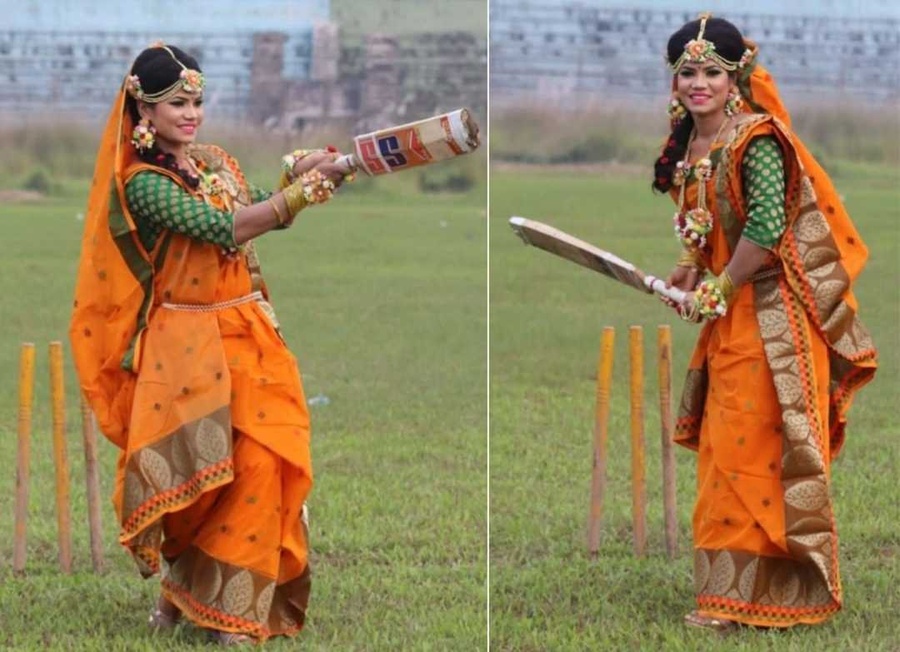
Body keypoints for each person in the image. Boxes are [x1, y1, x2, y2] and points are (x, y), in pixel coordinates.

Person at [69, 43, 350, 645]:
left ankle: (235, 617)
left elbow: (247, 215)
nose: (192, 113)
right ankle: (180, 597)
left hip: (246, 333)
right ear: (144, 109)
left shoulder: (217, 161)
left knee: (261, 460)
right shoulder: (143, 183)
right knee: (201, 480)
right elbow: (220, 228)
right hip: (184, 345)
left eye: (197, 101)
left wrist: (296, 174)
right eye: (177, 103)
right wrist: (297, 196)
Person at [653, 14, 878, 631]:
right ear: (673, 82)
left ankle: (773, 595)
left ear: (735, 80)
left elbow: (766, 228)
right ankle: (728, 597)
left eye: (711, 73)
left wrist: (722, 285)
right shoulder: (692, 143)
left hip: (776, 320)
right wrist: (689, 268)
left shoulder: (756, 138)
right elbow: (707, 223)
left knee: (758, 450)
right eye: (687, 73)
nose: (699, 84)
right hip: (731, 320)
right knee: (725, 451)